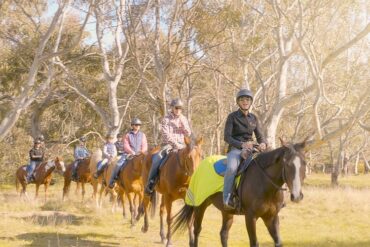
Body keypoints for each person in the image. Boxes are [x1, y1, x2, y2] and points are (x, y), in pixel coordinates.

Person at [223, 88, 267, 210]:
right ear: (238, 102)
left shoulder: (254, 118)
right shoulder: (232, 117)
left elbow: (260, 136)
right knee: (231, 168)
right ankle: (227, 198)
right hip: (236, 149)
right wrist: (241, 145)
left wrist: (263, 143)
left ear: (250, 101)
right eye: (242, 99)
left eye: (247, 99)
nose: (245, 101)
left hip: (252, 149)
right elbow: (227, 137)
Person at [144, 98, 191, 195]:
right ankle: (151, 183)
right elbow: (165, 135)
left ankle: (194, 183)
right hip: (169, 145)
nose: (178, 110)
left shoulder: (183, 119)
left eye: (180, 108)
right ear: (172, 108)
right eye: (176, 108)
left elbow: (188, 133)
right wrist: (175, 144)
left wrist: (183, 125)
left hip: (182, 145)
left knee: (193, 158)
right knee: (157, 159)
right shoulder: (166, 119)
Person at [108, 118, 148, 188]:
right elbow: (126, 145)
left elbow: (144, 144)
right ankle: (112, 180)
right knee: (118, 164)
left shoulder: (143, 135)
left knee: (149, 165)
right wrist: (132, 152)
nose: (138, 126)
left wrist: (142, 151)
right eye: (136, 125)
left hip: (140, 154)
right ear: (132, 125)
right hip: (129, 154)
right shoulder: (127, 135)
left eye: (139, 125)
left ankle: (150, 183)